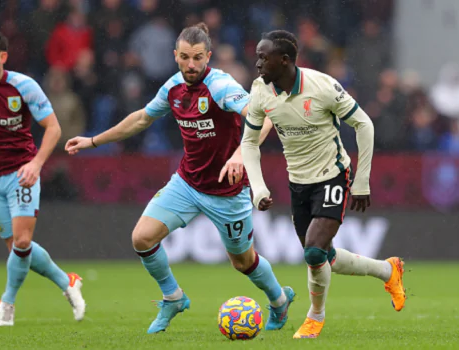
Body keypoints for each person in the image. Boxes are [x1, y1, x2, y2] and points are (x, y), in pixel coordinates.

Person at [65, 23, 295, 334]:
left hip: (227, 192)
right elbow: (143, 118)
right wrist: (93, 141)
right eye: (185, 57)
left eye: (198, 58)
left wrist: (241, 154)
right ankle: (173, 297)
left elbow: (263, 117)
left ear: (208, 56)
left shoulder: (221, 86)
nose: (191, 64)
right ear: (175, 56)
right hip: (187, 183)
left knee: (243, 262)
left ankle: (279, 300)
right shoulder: (173, 87)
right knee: (142, 238)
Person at [241, 30, 406, 339]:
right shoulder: (260, 90)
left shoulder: (322, 86)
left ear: (285, 60)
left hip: (332, 175)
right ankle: (388, 270)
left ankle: (315, 317)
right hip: (298, 183)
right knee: (324, 255)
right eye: (258, 56)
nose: (258, 62)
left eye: (264, 57)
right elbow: (249, 143)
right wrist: (259, 188)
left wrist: (362, 181)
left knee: (314, 252)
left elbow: (364, 124)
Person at [0, 30, 86, 326]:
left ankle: (7, 302)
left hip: (21, 173)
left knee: (23, 242)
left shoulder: (24, 86)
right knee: (16, 249)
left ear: (2, 57)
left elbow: (53, 128)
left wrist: (36, 164)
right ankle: (68, 281)